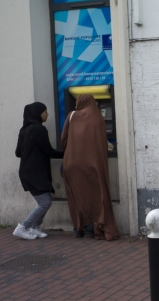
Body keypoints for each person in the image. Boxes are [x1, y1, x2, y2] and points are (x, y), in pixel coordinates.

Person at [61, 94, 120, 241]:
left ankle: (77, 229)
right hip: (91, 164)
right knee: (93, 197)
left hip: (71, 164)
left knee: (75, 198)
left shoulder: (71, 116)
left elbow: (64, 139)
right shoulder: (97, 118)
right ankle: (91, 229)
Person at [14, 102, 64, 240]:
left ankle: (34, 227)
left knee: (44, 201)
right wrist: (68, 153)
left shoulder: (23, 130)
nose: (47, 114)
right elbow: (49, 151)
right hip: (35, 173)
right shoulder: (39, 129)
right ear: (37, 114)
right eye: (45, 112)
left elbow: (18, 153)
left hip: (26, 172)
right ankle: (23, 227)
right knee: (45, 202)